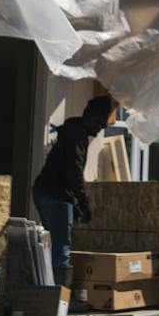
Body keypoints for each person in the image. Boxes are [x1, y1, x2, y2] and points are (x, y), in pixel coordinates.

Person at [32, 93, 113, 287]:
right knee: (61, 248)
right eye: (99, 123)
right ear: (90, 116)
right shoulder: (77, 136)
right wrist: (83, 202)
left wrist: (75, 203)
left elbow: (67, 173)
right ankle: (59, 299)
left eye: (103, 126)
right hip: (54, 195)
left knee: (54, 244)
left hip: (46, 192)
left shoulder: (72, 130)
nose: (99, 128)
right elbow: (74, 172)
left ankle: (50, 291)